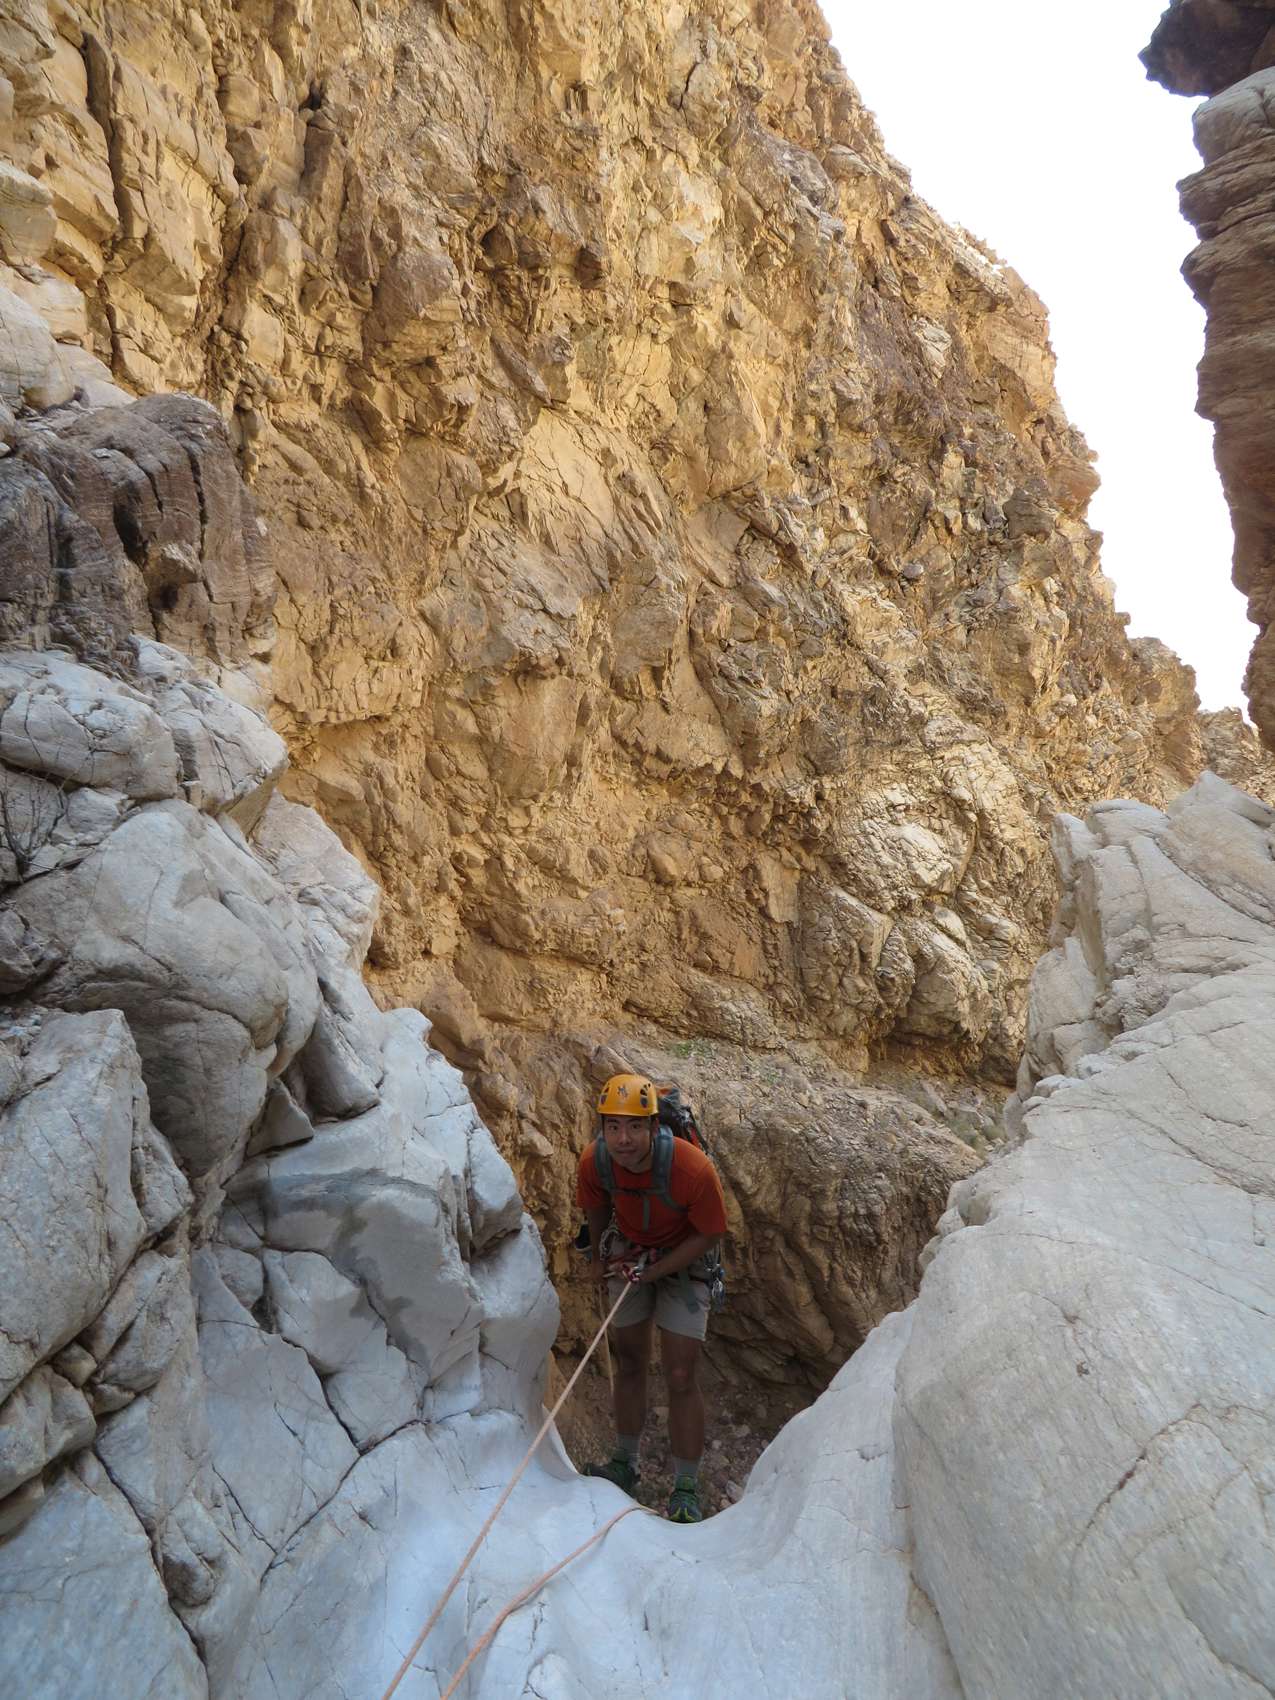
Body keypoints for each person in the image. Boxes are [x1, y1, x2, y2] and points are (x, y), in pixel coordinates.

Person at [576, 1071, 728, 1524]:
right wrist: (598, 1257)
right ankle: (624, 1463)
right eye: (613, 1127)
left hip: (684, 1262)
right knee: (629, 1359)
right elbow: (597, 1207)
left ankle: (686, 1487)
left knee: (680, 1373)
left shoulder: (692, 1168)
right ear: (602, 1128)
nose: (623, 1139)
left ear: (653, 1126)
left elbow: (710, 1233)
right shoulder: (596, 1162)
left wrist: (655, 1271)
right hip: (630, 1252)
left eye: (634, 1127)